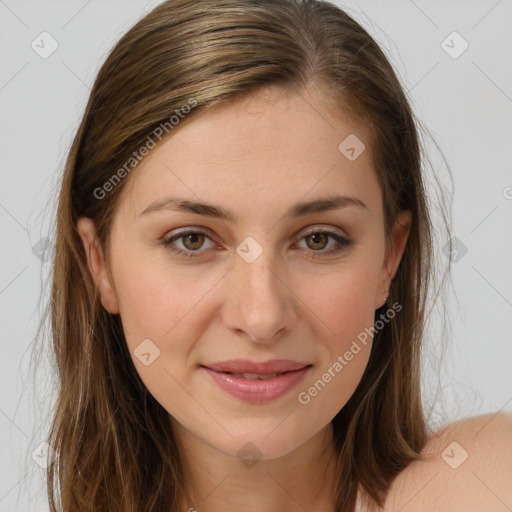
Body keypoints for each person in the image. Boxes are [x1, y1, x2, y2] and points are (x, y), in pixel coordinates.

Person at [43, 0, 512, 510]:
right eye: (192, 240)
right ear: (100, 264)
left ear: (389, 259)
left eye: (319, 239)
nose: (261, 317)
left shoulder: (480, 484)